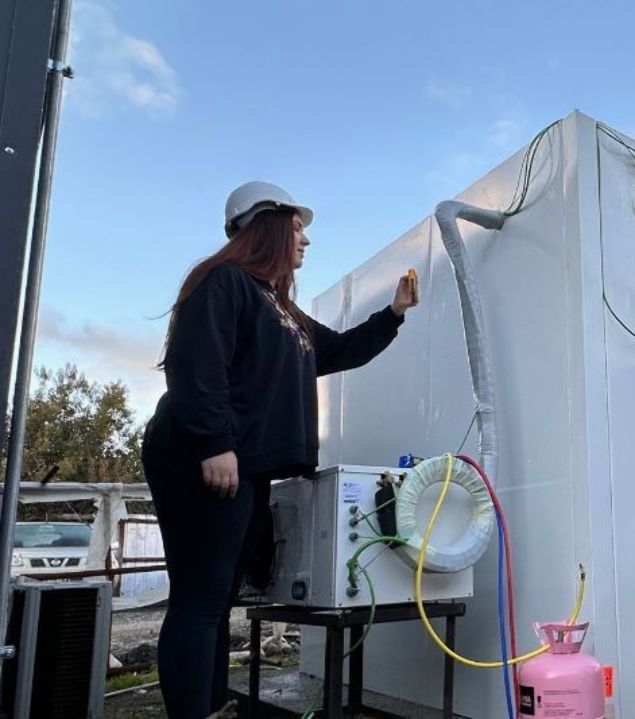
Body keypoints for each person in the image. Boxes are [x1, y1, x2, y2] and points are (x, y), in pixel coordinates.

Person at [141, 180, 419, 717]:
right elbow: (195, 366)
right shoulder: (223, 282)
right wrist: (215, 444)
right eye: (297, 228)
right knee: (200, 599)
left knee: (219, 600)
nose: (305, 241)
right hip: (199, 455)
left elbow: (339, 349)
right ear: (264, 225)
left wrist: (394, 313)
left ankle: (211, 705)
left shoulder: (281, 308)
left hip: (241, 463)